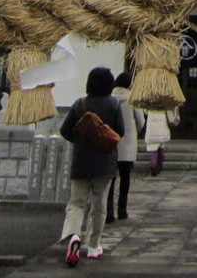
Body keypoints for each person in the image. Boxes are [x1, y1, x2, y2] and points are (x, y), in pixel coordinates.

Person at [59, 66, 125, 265]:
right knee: (99, 205)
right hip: (105, 162)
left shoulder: (80, 104)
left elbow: (64, 130)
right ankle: (94, 245)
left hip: (81, 162)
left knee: (76, 203)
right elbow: (120, 131)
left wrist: (79, 141)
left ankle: (74, 236)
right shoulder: (114, 104)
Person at [106, 70, 145, 223]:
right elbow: (141, 122)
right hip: (128, 145)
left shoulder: (109, 98)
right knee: (125, 178)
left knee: (110, 179)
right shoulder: (133, 99)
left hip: (110, 145)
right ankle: (122, 209)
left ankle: (108, 211)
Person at [143, 104, 180, 176]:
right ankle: (159, 166)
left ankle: (153, 166)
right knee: (161, 145)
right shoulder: (165, 100)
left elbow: (145, 111)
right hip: (162, 122)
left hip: (151, 123)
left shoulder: (149, 99)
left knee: (152, 147)